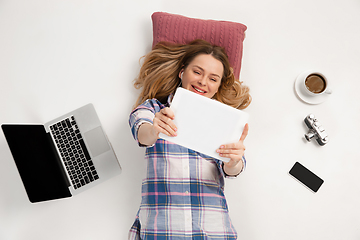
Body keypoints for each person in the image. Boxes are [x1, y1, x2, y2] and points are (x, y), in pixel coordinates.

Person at [128, 39, 251, 239]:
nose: (203, 82)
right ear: (182, 72)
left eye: (213, 78)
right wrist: (155, 129)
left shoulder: (226, 122)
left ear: (218, 86)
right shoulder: (153, 109)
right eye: (197, 72)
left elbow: (232, 170)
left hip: (213, 231)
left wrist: (234, 160)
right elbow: (142, 134)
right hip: (161, 231)